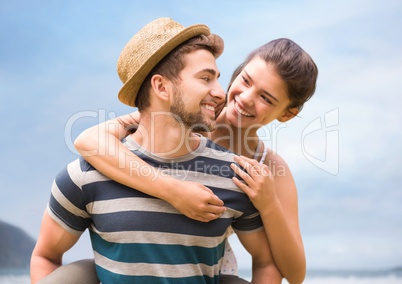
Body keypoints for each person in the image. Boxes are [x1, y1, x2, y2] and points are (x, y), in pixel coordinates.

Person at [30, 17, 279, 284]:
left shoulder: (234, 175)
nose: (221, 93)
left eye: (217, 79)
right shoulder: (85, 176)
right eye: (205, 78)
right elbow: (45, 256)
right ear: (161, 86)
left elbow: (267, 263)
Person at [73, 37, 318, 283]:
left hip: (205, 267)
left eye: (266, 98)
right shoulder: (188, 115)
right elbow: (89, 141)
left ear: (287, 114)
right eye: (245, 80)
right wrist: (174, 191)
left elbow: (294, 274)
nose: (245, 97)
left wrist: (269, 204)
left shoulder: (268, 167)